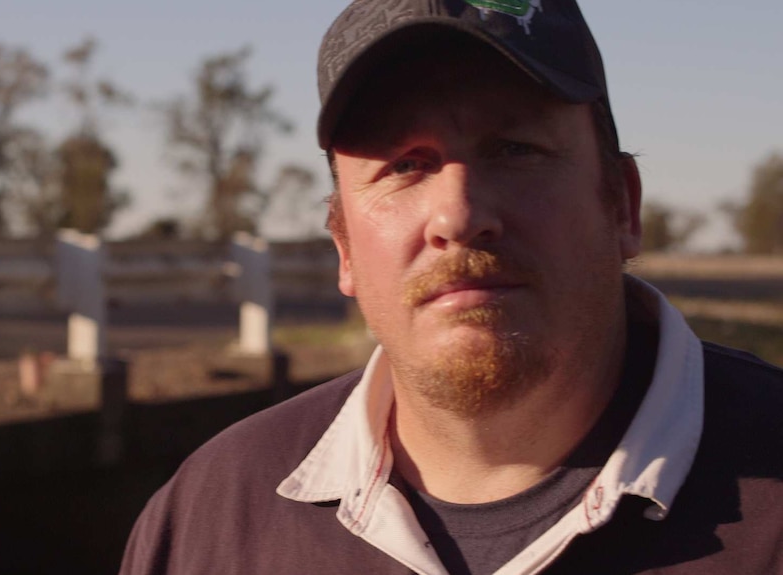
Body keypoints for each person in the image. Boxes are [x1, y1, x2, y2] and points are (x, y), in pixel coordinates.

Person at [119, 1, 783, 573]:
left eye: (515, 149)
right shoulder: (209, 519)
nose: (460, 216)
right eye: (404, 165)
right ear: (344, 245)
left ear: (622, 205)